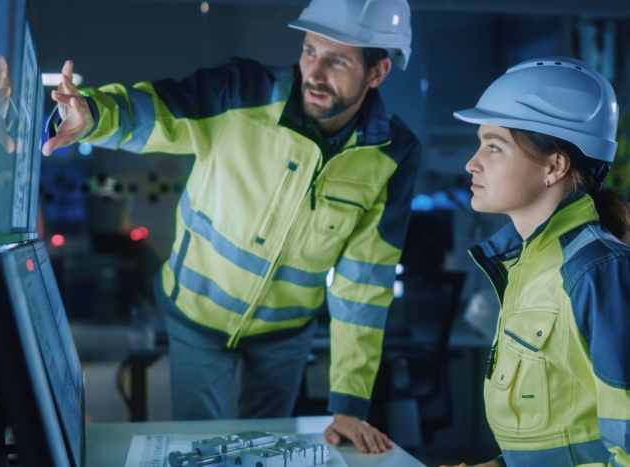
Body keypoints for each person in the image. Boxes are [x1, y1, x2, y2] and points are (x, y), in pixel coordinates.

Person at [43, 0, 421, 453]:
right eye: (309, 51)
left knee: (268, 450)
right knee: (200, 446)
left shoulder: (393, 156)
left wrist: (349, 402)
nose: (314, 74)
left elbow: (364, 283)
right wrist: (93, 115)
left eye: (336, 60)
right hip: (197, 316)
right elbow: (157, 112)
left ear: (377, 72)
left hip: (286, 333)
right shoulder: (240, 91)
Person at [442, 57, 630, 467]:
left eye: (494, 146)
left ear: (554, 166)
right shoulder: (527, 264)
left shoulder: (598, 271)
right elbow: (564, 427)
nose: (472, 163)